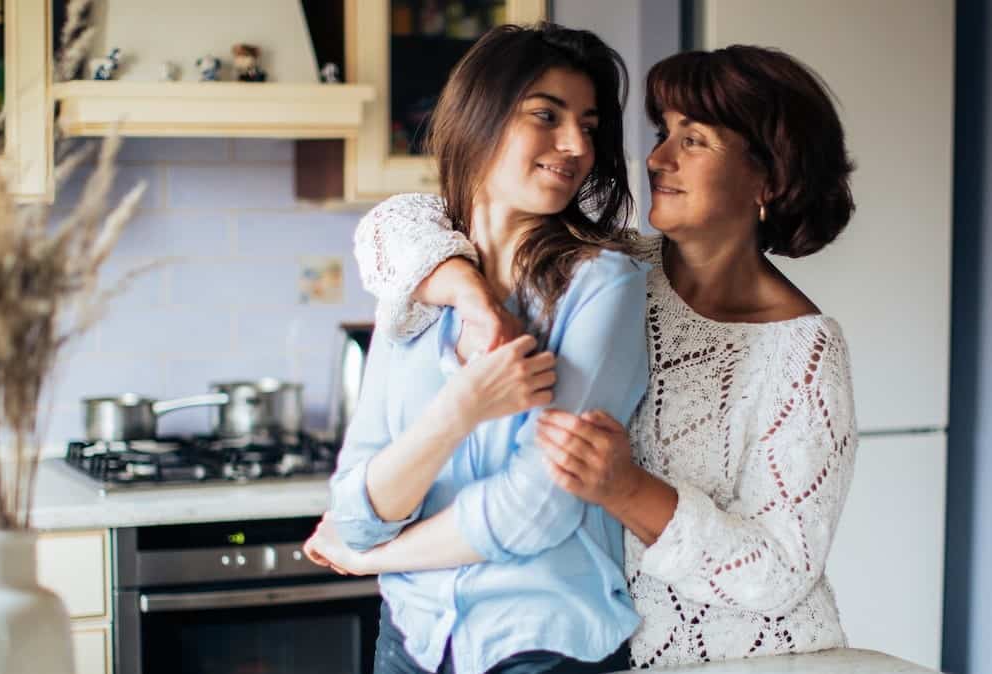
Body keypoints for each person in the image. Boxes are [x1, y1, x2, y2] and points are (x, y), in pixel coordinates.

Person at [313, 45, 859, 669]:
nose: (657, 158)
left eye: (695, 140)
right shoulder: (622, 267)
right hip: (600, 642)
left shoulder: (801, 350)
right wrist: (469, 294)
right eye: (663, 133)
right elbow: (399, 227)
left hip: (739, 657)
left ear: (770, 179)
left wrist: (627, 489)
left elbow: (782, 571)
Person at [307, 23, 652, 674]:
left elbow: (537, 511)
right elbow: (353, 509)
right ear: (481, 116)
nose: (576, 144)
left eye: (589, 123)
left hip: (542, 645)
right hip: (409, 638)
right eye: (546, 115)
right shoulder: (415, 280)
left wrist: (373, 559)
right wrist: (457, 412)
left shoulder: (601, 284)